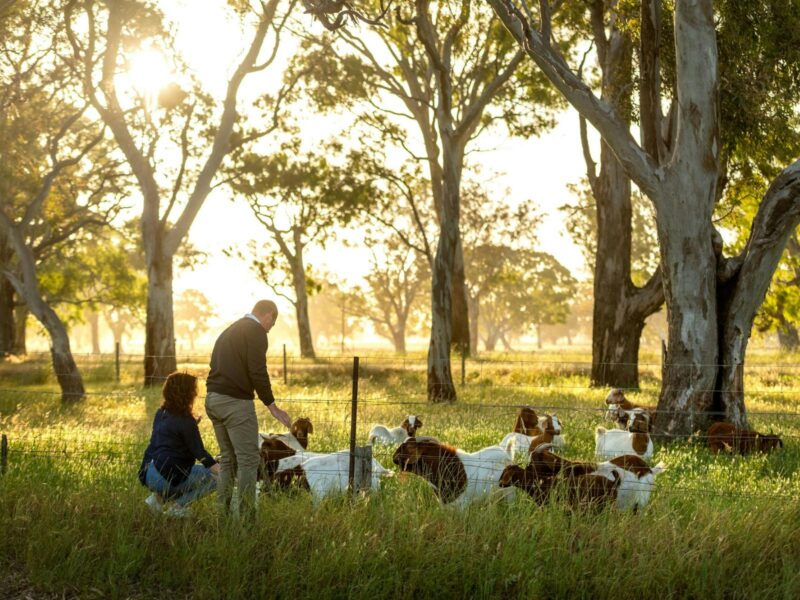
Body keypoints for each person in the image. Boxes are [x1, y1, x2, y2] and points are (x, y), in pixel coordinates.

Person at [205, 300, 291, 519]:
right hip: (235, 403)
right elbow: (257, 371)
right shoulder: (256, 332)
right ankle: (246, 517)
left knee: (228, 459)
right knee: (248, 460)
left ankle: (222, 514)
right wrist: (272, 405)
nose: (271, 327)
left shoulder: (229, 330)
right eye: (273, 321)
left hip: (213, 399)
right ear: (268, 315)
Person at [138, 372, 219, 518]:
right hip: (165, 477)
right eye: (193, 390)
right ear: (186, 393)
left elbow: (170, 435)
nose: (195, 393)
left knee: (180, 474)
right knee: (217, 480)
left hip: (149, 473)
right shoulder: (186, 421)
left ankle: (156, 499)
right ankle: (178, 506)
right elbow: (200, 453)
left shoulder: (161, 413)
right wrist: (223, 471)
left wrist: (192, 425)